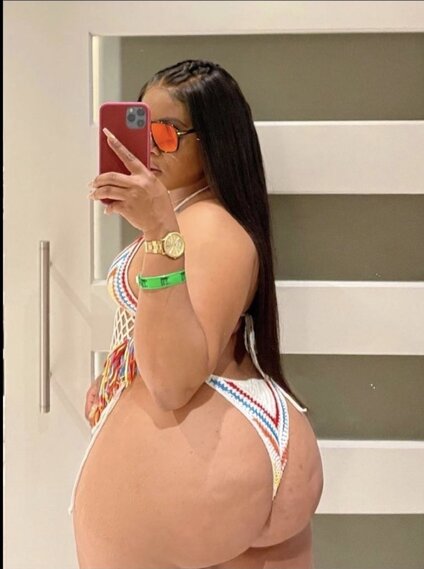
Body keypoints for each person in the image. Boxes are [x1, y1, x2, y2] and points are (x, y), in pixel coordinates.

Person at [70, 59, 323, 569]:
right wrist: (117, 374)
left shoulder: (204, 227)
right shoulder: (199, 217)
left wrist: (160, 232)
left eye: (166, 134)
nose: (149, 147)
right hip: (239, 439)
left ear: (214, 142)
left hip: (209, 454)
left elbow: (174, 382)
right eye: (143, 128)